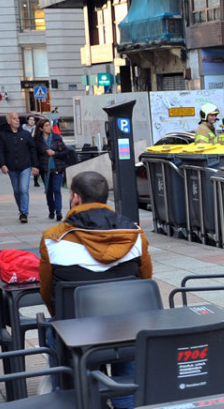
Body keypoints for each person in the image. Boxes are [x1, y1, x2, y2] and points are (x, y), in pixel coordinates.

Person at [38, 170, 151, 409]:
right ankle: (125, 396)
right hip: (127, 331)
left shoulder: (53, 238)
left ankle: (71, 394)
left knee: (52, 328)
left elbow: (47, 292)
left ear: (76, 198)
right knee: (131, 325)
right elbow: (145, 282)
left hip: (75, 336)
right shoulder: (135, 234)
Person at [0, 112, 39, 223]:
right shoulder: (4, 135)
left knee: (23, 189)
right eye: (14, 119)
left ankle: (24, 213)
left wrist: (35, 165)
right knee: (16, 190)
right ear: (9, 121)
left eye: (17, 118)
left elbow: (33, 149)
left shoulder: (25, 134)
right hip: (12, 167)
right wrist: (3, 165)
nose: (17, 120)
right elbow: (0, 151)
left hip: (25, 166)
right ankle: (21, 210)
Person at [33, 119, 71, 221]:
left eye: (49, 125)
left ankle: (59, 212)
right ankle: (51, 210)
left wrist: (55, 153)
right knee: (49, 191)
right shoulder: (37, 141)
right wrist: (35, 166)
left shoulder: (56, 137)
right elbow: (35, 155)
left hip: (57, 167)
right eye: (46, 126)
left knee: (57, 190)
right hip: (45, 169)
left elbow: (66, 151)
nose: (49, 127)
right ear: (41, 128)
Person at [23, 116, 41, 187]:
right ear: (27, 120)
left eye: (33, 120)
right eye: (30, 120)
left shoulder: (36, 129)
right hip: (26, 148)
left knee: (35, 164)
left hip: (34, 148)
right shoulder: (23, 128)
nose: (32, 121)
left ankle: (35, 180)